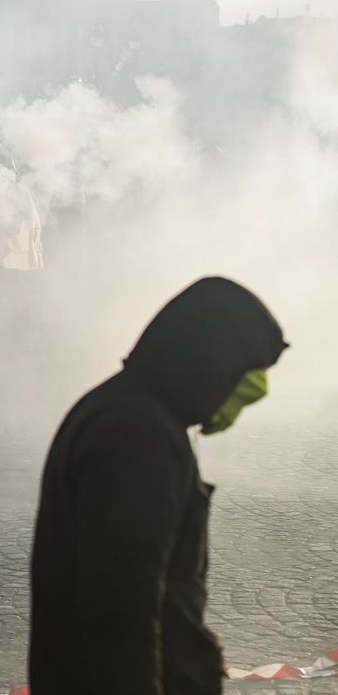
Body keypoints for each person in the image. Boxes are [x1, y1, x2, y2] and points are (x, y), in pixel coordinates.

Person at [29, 277, 288, 695]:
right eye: (238, 378)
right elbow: (120, 606)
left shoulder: (124, 409)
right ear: (210, 362)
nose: (239, 399)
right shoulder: (139, 434)